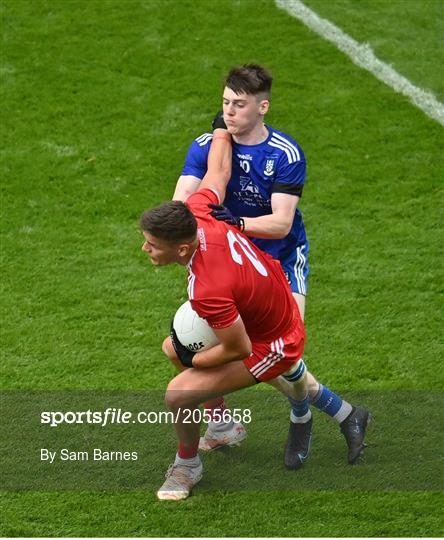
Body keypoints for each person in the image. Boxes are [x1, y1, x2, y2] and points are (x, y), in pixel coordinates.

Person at [172, 64, 369, 469]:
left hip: (279, 259)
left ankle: (303, 417)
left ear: (262, 107)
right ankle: (339, 413)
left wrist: (237, 223)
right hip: (234, 266)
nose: (230, 112)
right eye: (225, 102)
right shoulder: (207, 144)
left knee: (285, 350)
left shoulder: (285, 154)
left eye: (240, 105)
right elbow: (182, 199)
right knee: (262, 352)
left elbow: (281, 222)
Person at [141, 127, 311, 500]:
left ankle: (187, 465)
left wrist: (194, 358)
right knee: (173, 349)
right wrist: (221, 132)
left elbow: (238, 347)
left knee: (177, 394)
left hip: (274, 343)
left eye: (154, 245)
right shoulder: (196, 212)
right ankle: (222, 427)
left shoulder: (209, 287)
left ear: (183, 250)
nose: (146, 249)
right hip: (262, 302)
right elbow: (217, 174)